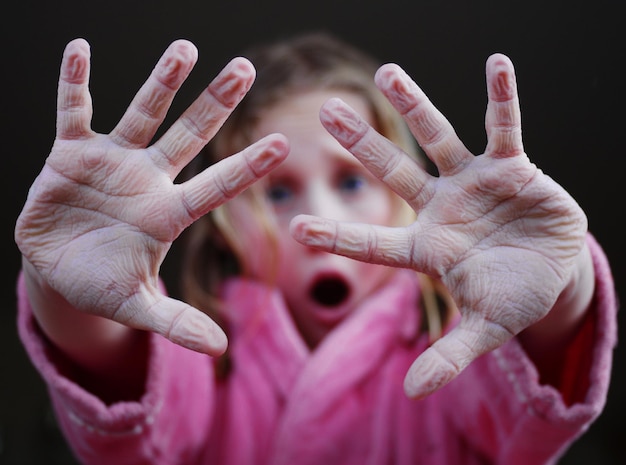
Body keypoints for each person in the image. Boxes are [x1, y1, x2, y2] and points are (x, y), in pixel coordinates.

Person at [14, 31, 616, 464]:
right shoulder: (201, 347)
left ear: (406, 200)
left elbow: (534, 396)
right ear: (221, 217)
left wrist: (561, 285)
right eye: (276, 191)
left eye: (353, 181)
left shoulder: (457, 341)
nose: (318, 220)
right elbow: (124, 399)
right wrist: (68, 292)